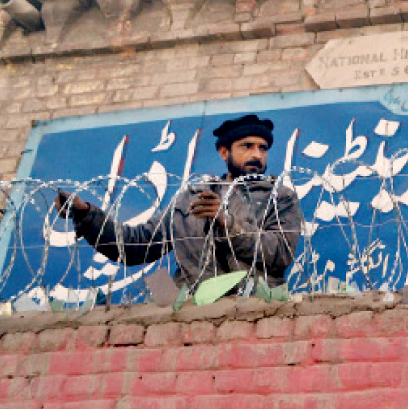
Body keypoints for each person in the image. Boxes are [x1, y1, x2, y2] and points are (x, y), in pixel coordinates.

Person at [55, 114, 302, 288]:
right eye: (247, 146)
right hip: (193, 311)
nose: (256, 155)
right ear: (224, 152)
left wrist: (227, 223)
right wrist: (86, 214)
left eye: (263, 148)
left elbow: (280, 253)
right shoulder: (191, 198)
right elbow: (134, 245)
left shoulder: (280, 198)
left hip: (253, 309)